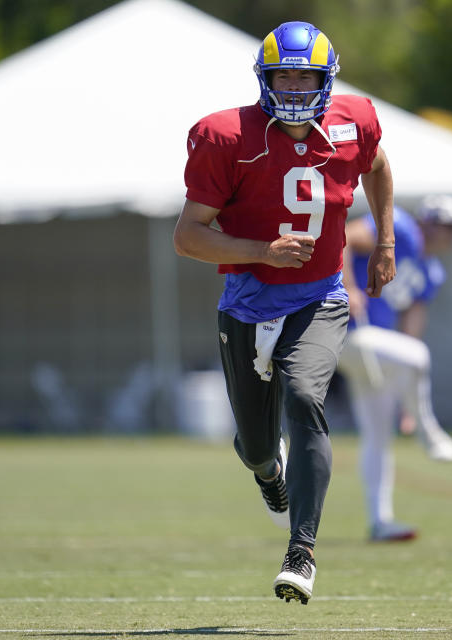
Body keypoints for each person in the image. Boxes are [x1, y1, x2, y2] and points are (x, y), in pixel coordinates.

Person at [172, 21, 396, 605]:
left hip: (319, 296)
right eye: (285, 74)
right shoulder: (226, 135)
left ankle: (303, 550)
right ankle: (270, 475)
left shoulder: (354, 121)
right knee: (254, 447)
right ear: (264, 77)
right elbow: (188, 236)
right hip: (247, 296)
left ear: (327, 78)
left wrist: (387, 241)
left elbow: (377, 166)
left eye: (306, 75)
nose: (295, 87)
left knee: (304, 397)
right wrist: (258, 251)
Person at [338, 194, 452, 542]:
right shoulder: (402, 231)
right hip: (348, 332)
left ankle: (380, 521)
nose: (451, 236)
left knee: (378, 436)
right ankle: (430, 434)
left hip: (376, 348)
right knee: (419, 355)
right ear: (429, 221)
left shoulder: (432, 272)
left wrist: (409, 395)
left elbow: (412, 322)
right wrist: (348, 287)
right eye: (447, 226)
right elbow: (343, 238)